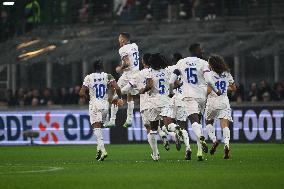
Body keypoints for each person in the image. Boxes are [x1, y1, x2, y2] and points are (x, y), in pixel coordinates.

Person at [169, 43, 221, 161]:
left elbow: (172, 81)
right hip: (202, 95)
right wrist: (217, 91)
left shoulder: (181, 62)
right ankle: (199, 152)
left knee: (194, 121)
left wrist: (171, 92)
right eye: (201, 49)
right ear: (196, 51)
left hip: (188, 95)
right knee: (199, 121)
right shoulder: (204, 63)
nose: (202, 51)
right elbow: (209, 80)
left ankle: (200, 138)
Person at [121, 53, 170, 153]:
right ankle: (162, 134)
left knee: (149, 128)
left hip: (146, 104)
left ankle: (155, 152)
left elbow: (127, 88)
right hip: (161, 100)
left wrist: (118, 93)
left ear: (144, 61)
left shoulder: (138, 74)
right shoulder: (159, 71)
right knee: (158, 123)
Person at [79, 59, 123, 161]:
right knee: (99, 128)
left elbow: (81, 93)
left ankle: (103, 151)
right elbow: (117, 88)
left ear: (93, 68)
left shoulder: (88, 77)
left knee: (96, 129)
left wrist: (87, 97)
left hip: (94, 104)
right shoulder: (108, 76)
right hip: (105, 105)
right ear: (102, 67)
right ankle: (98, 149)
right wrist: (119, 98)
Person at [139, 53, 178, 161]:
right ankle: (176, 130)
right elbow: (176, 83)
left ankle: (155, 155)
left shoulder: (149, 72)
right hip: (166, 100)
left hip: (154, 102)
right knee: (169, 124)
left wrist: (143, 90)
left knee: (153, 129)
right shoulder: (168, 71)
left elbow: (150, 85)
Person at [204, 55, 236, 159]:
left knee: (208, 121)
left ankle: (214, 140)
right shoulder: (227, 73)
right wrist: (224, 89)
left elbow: (208, 91)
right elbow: (233, 88)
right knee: (224, 125)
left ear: (211, 64)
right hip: (224, 101)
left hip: (212, 101)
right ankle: (226, 145)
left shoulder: (209, 74)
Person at [106, 32, 140, 128]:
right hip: (136, 74)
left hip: (127, 75)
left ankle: (112, 120)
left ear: (122, 40)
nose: (118, 40)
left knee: (116, 95)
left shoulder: (122, 49)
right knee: (130, 96)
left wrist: (119, 68)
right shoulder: (135, 46)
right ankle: (129, 119)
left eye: (119, 38)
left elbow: (127, 63)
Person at [167, 52, 192, 160]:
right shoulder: (185, 70)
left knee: (170, 124)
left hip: (171, 100)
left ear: (172, 60)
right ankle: (188, 148)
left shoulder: (168, 69)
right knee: (183, 127)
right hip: (183, 100)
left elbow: (170, 83)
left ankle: (175, 135)